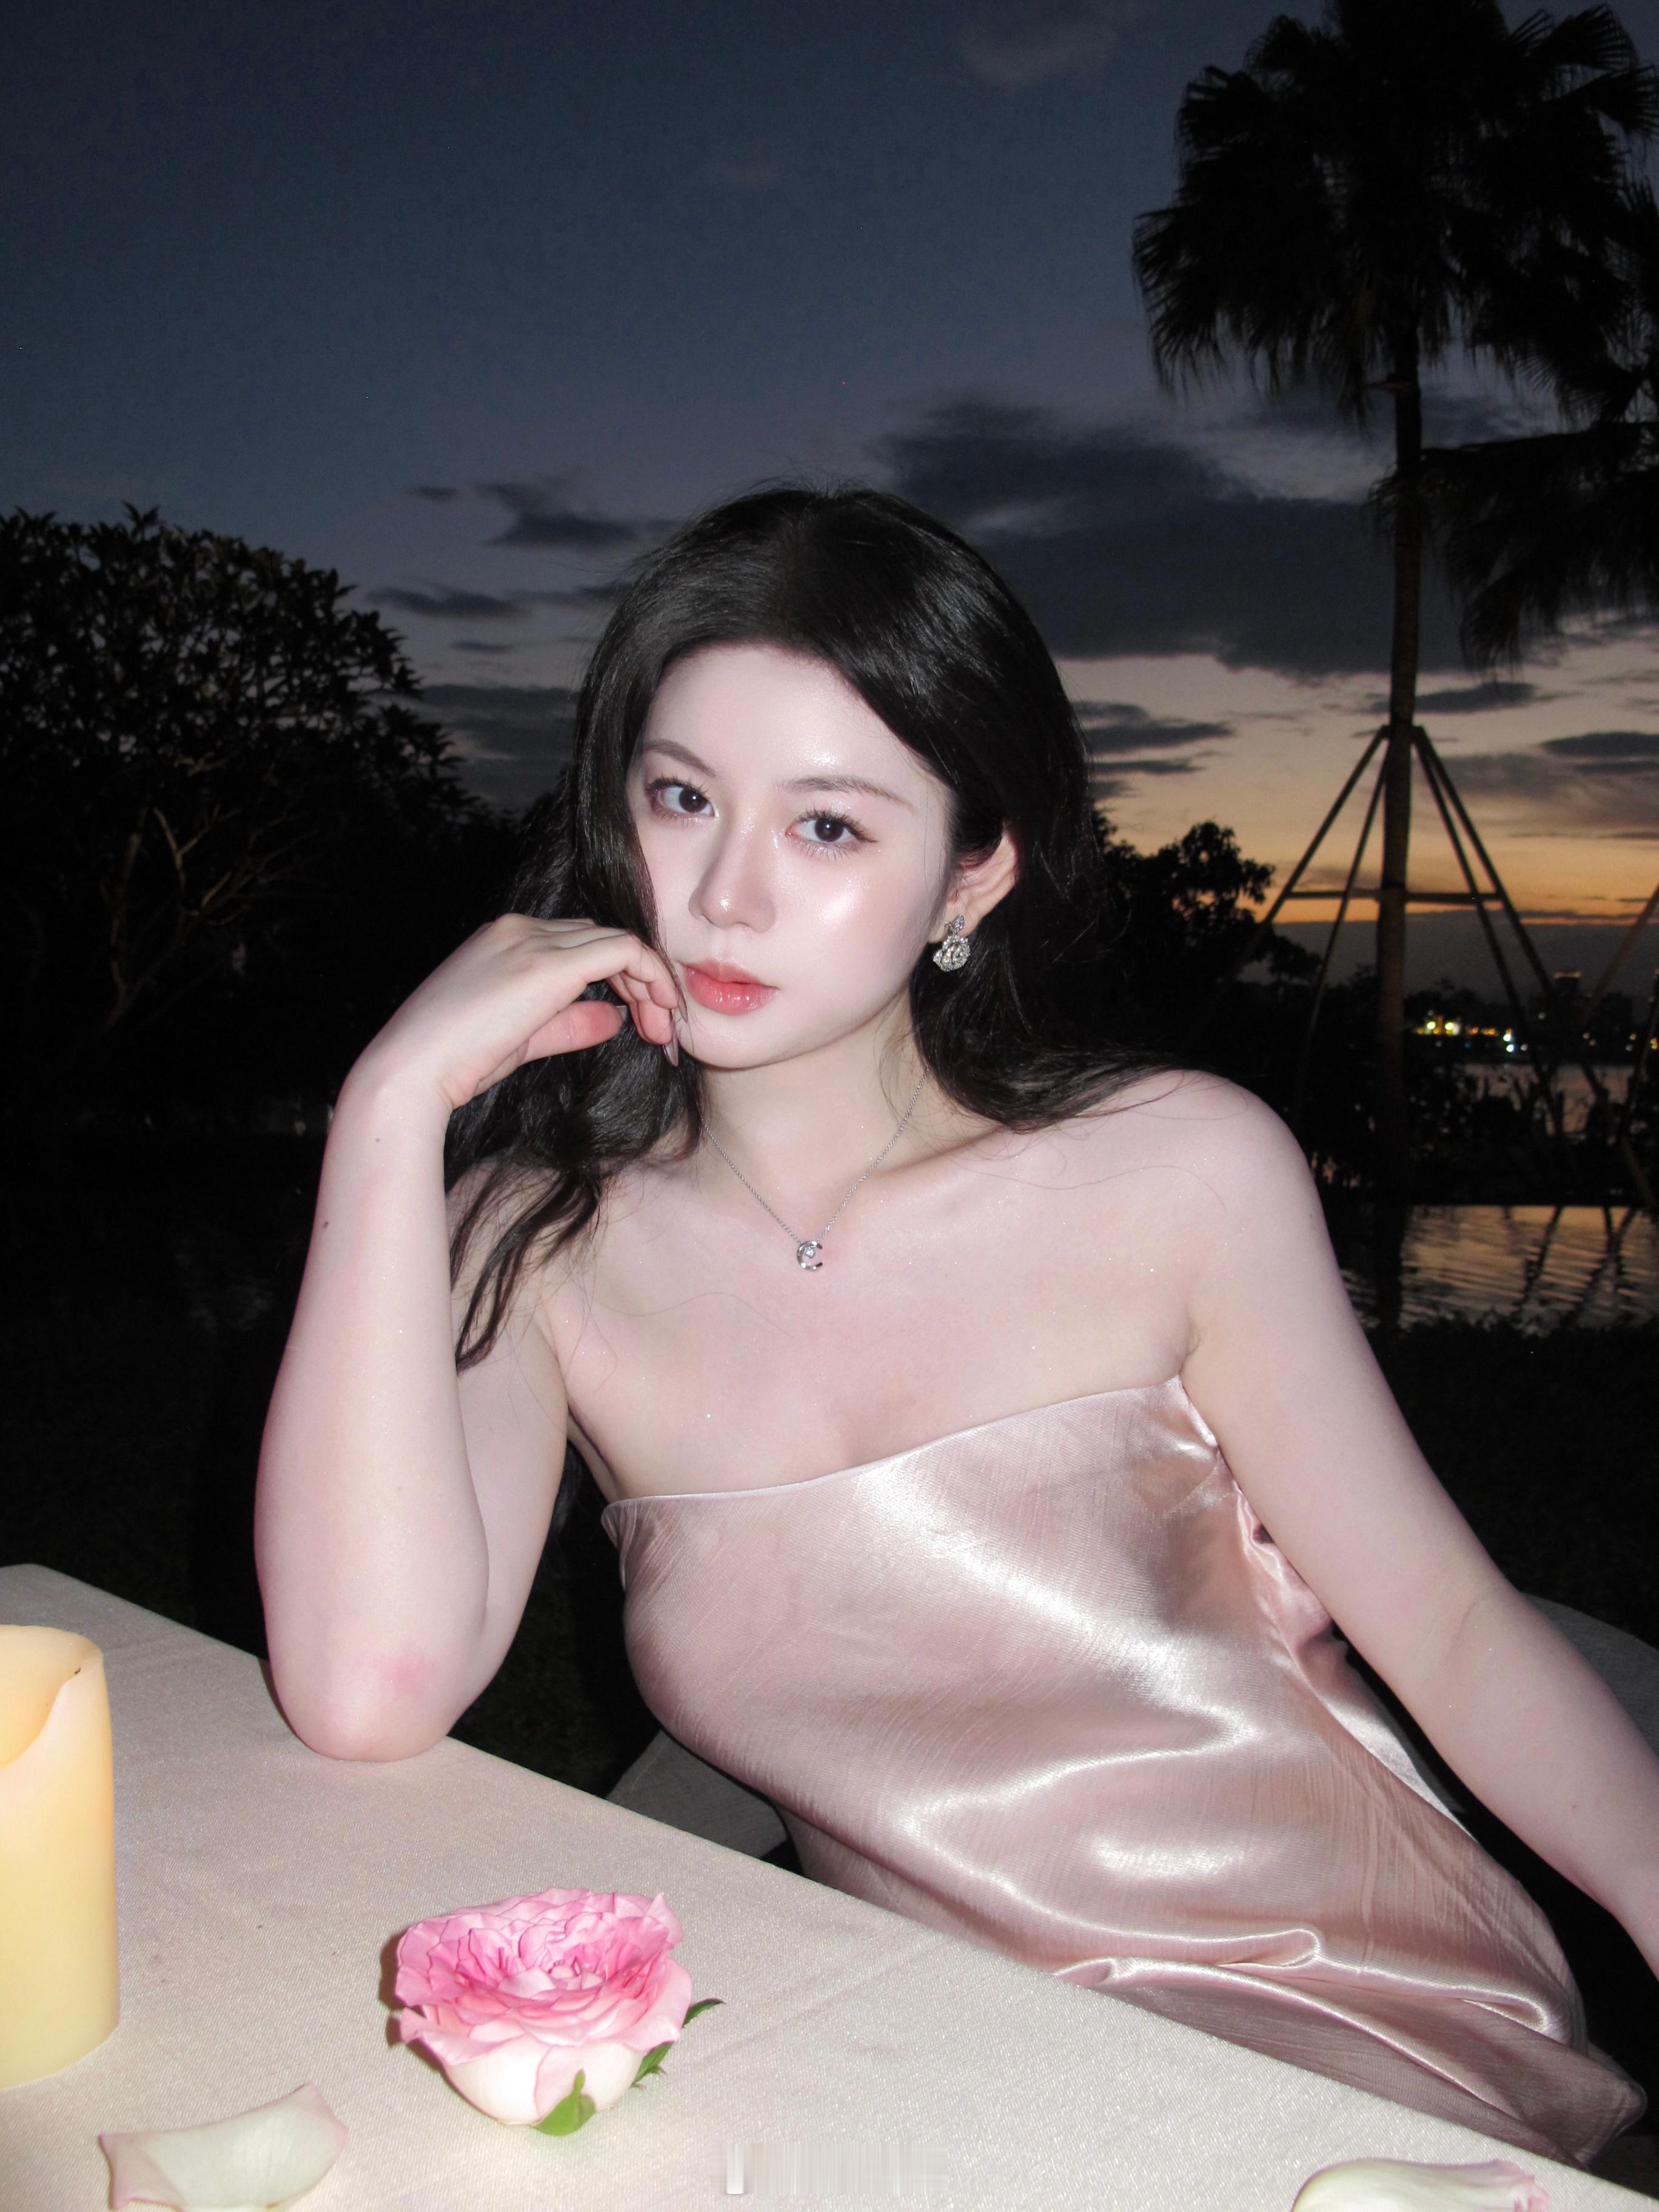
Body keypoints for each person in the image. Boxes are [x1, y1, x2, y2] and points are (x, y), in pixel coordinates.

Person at [255, 485, 1659, 2166]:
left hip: (1324, 2018)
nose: (725, 896)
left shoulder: (1176, 1172)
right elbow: (366, 1690)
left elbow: (1450, 1621)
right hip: (919, 2065)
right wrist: (391, 1111)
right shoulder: (540, 1239)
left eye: (829, 828)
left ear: (971, 870)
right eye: (683, 798)